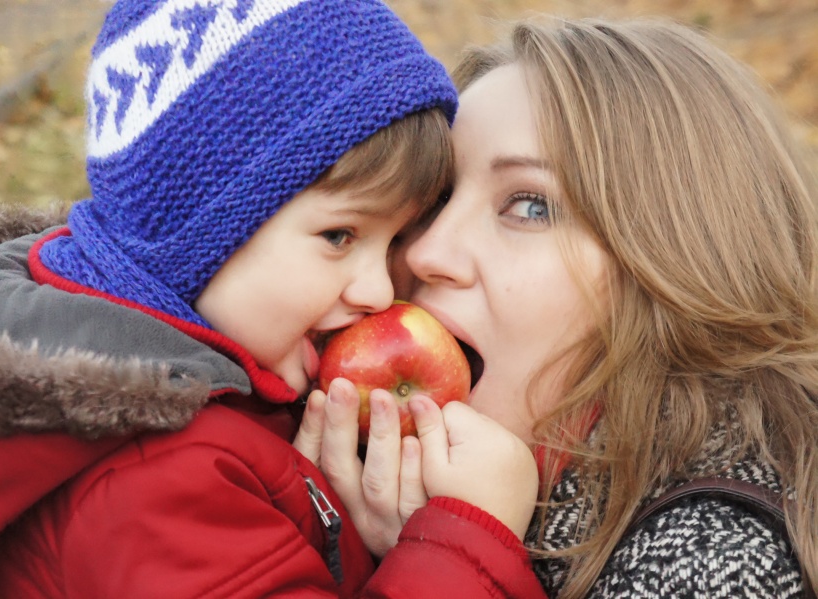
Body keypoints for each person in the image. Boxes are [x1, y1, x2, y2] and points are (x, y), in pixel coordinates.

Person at [0, 0, 548, 597]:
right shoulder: (158, 480)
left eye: (393, 241)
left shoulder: (224, 393)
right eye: (339, 236)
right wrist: (466, 537)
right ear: (196, 234)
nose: (380, 289)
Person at [296, 15, 818, 598]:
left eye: (530, 206)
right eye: (435, 197)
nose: (424, 250)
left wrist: (447, 555)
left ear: (678, 264)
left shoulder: (707, 564)